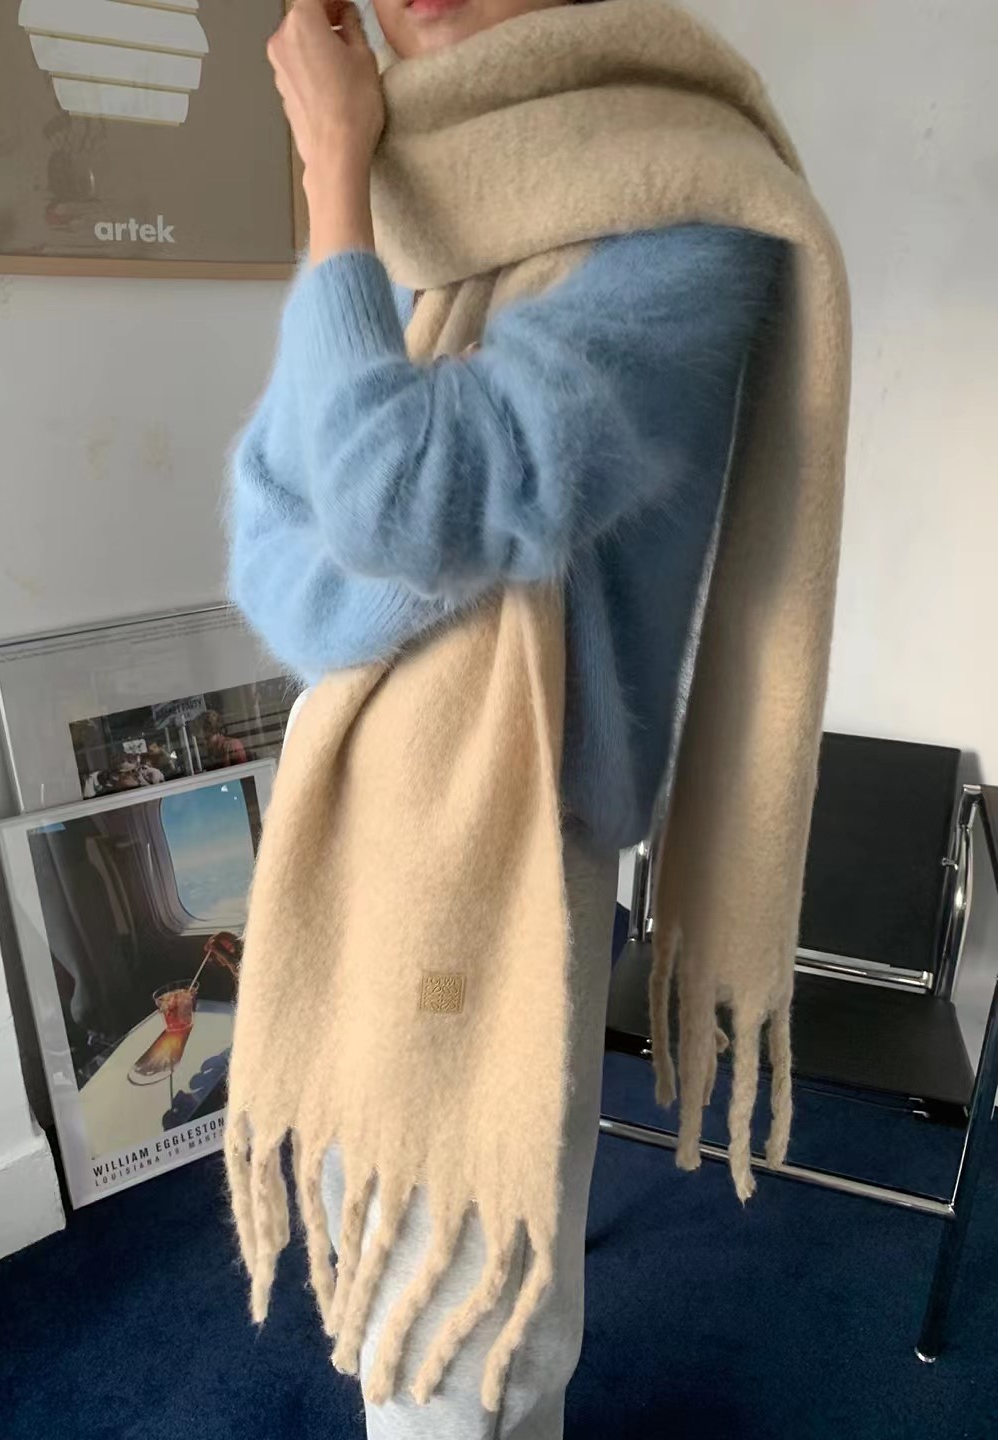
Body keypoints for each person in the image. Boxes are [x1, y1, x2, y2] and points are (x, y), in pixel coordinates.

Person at [227, 0, 786, 1435]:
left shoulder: (688, 203)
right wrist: (413, 555)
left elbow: (393, 498)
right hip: (359, 811)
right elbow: (273, 538)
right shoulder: (427, 224)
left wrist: (333, 176)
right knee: (380, 1221)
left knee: (464, 1330)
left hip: (514, 832)